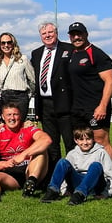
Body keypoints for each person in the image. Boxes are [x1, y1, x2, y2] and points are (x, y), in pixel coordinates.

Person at [0, 102, 51, 201]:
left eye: (15, 114)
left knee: (41, 150)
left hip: (31, 169)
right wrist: (5, 164)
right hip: (12, 174)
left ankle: (31, 183)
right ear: (3, 116)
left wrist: (23, 155)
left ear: (20, 115)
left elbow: (46, 140)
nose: (12, 118)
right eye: (9, 115)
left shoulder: (28, 128)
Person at [66, 22, 112, 160]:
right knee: (81, 142)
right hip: (76, 108)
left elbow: (110, 81)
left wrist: (103, 106)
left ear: (86, 34)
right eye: (73, 34)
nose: (76, 37)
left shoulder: (97, 54)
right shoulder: (72, 53)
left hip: (95, 107)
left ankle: (108, 178)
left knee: (101, 141)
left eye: (79, 34)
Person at [30, 22, 74, 171]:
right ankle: (56, 178)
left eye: (50, 32)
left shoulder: (69, 49)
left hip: (65, 104)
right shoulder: (36, 54)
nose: (47, 35)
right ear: (40, 36)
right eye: (44, 33)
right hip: (45, 105)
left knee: (70, 143)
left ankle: (74, 176)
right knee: (51, 144)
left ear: (56, 33)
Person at [40, 126, 112, 205]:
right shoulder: (72, 153)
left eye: (88, 139)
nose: (85, 142)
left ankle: (80, 195)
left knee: (96, 165)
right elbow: (64, 173)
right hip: (77, 181)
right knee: (62, 162)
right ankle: (53, 191)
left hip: (95, 184)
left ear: (93, 139)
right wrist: (64, 190)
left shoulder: (101, 152)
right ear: (76, 140)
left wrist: (106, 193)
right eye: (81, 139)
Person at [0, 32, 35, 122]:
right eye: (3, 43)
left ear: (13, 44)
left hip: (20, 97)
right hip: (4, 97)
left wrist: (27, 95)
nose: (6, 45)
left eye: (9, 42)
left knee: (19, 125)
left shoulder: (23, 59)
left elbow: (32, 80)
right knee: (6, 126)